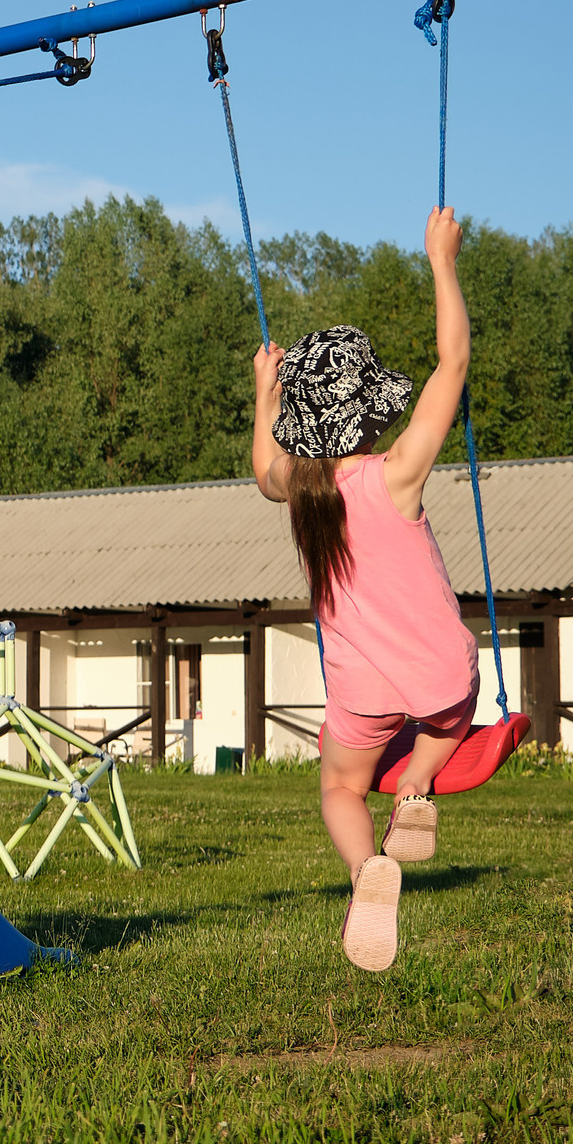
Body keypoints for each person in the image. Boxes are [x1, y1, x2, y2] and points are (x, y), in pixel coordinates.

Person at [250, 206, 478, 973]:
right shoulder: (397, 475)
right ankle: (416, 786)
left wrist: (264, 393)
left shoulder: (301, 489)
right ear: (371, 412)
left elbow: (260, 468)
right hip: (440, 670)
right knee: (451, 713)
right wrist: (441, 261)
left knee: (342, 786)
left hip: (361, 686)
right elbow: (452, 366)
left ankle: (363, 872)